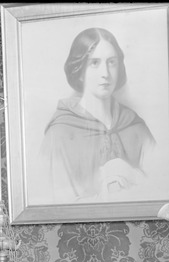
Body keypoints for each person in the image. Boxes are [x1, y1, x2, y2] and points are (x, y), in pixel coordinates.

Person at [40, 27, 156, 203]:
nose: (105, 74)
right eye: (94, 63)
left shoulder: (135, 127)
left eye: (111, 62)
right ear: (79, 71)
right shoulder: (59, 133)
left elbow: (159, 190)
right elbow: (55, 205)